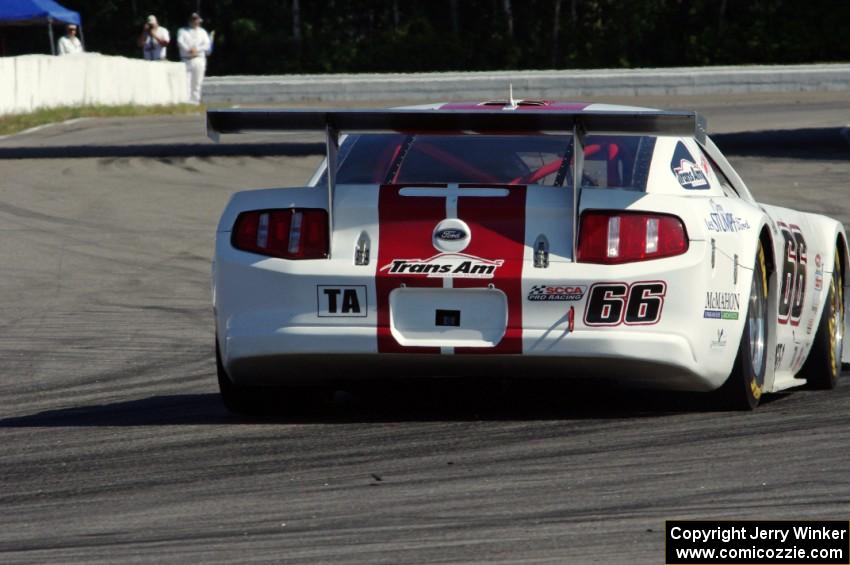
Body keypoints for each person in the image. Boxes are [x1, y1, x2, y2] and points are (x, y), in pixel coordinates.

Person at [177, 13, 211, 104]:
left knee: (197, 81)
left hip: (199, 58)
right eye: (194, 20)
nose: (196, 22)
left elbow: (207, 45)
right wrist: (188, 50)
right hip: (186, 59)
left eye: (197, 20)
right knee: (186, 81)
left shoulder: (202, 32)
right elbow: (180, 42)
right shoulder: (182, 31)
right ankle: (187, 101)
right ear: (190, 21)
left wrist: (197, 49)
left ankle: (195, 101)